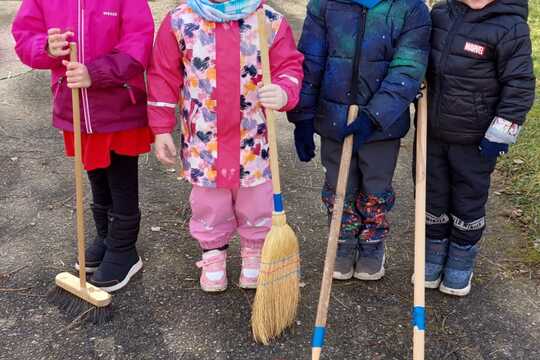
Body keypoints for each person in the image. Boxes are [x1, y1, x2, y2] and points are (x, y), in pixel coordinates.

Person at [147, 0, 303, 292]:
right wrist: (160, 127)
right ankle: (212, 252)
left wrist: (283, 91)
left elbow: (289, 65)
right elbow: (163, 75)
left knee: (256, 197)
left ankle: (255, 249)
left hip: (253, 136)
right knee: (209, 199)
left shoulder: (267, 20)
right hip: (204, 137)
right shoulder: (181, 20)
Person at [12, 0, 155, 292]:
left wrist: (96, 73)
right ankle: (105, 236)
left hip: (119, 106)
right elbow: (25, 37)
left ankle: (124, 248)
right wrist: (47, 49)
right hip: (75, 106)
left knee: (120, 174)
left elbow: (139, 41)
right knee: (96, 171)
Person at [288, 0, 431, 281]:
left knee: (375, 186)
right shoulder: (325, 5)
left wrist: (374, 116)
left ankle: (372, 243)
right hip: (334, 119)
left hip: (382, 125)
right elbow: (311, 60)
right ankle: (342, 240)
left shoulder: (410, 8)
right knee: (339, 184)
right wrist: (302, 116)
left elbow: (408, 67)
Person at [423, 0, 535, 296]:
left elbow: (520, 85)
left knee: (468, 198)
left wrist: (500, 134)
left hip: (476, 139)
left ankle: (461, 257)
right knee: (432, 194)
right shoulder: (440, 14)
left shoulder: (510, 26)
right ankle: (432, 253)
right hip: (433, 133)